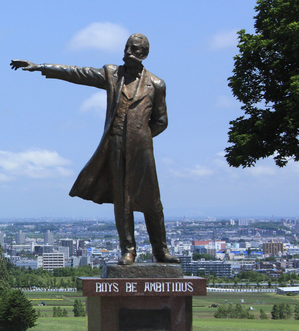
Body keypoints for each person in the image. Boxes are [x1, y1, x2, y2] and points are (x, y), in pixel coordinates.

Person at [11, 33, 179, 265]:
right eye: (127, 47)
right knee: (123, 201)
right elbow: (78, 73)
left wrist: (141, 136)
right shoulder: (112, 74)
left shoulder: (157, 84)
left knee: (152, 202)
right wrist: (40, 66)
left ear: (144, 54)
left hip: (142, 151)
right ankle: (128, 250)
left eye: (135, 49)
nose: (129, 52)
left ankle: (161, 251)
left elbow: (161, 121)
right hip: (115, 147)